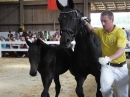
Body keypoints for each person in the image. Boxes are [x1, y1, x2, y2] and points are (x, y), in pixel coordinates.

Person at [81, 10, 129, 97]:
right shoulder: (101, 31)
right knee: (104, 90)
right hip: (107, 67)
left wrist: (108, 58)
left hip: (121, 68)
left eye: (105, 21)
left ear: (112, 20)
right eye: (101, 21)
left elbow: (121, 50)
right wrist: (84, 22)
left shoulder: (120, 33)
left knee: (123, 94)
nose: (103, 24)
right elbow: (91, 29)